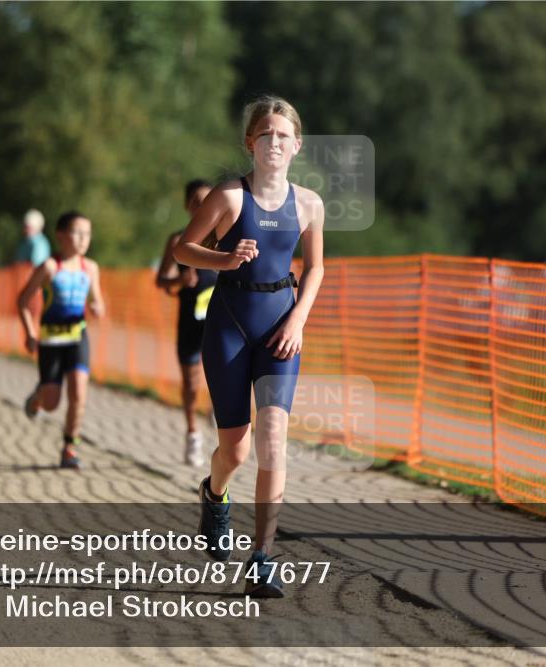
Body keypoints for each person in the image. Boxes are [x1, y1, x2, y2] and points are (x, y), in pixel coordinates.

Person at [174, 96, 325, 597]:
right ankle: (214, 493)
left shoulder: (309, 203)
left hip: (282, 325)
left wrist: (299, 319)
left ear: (297, 145)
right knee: (236, 450)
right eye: (265, 134)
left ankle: (262, 557)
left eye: (283, 135)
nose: (274, 142)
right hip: (230, 325)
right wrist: (223, 257)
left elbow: (316, 267)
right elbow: (182, 249)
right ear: (250, 143)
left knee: (273, 439)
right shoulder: (229, 197)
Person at [17, 211, 105, 469]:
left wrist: (98, 307)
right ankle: (39, 396)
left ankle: (70, 448)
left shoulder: (90, 268)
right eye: (77, 233)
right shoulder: (49, 267)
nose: (83, 239)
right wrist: (30, 333)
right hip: (51, 342)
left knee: (79, 393)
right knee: (52, 403)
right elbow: (22, 301)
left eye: (87, 234)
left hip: (78, 338)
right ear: (61, 236)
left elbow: (98, 301)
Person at [156, 179, 216, 467]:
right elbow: (161, 280)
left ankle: (218, 411)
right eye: (195, 201)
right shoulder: (178, 239)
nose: (201, 206)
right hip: (190, 322)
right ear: (186, 205)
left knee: (224, 377)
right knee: (191, 384)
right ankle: (193, 435)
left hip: (220, 321)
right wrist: (179, 281)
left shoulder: (224, 236)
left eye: (207, 200)